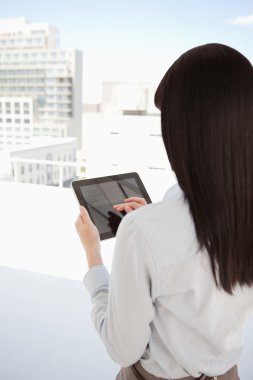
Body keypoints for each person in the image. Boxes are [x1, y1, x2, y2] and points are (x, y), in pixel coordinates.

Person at [75, 43, 253, 380]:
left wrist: (93, 257)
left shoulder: (143, 233)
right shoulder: (239, 213)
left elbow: (122, 347)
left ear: (184, 132)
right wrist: (156, 222)